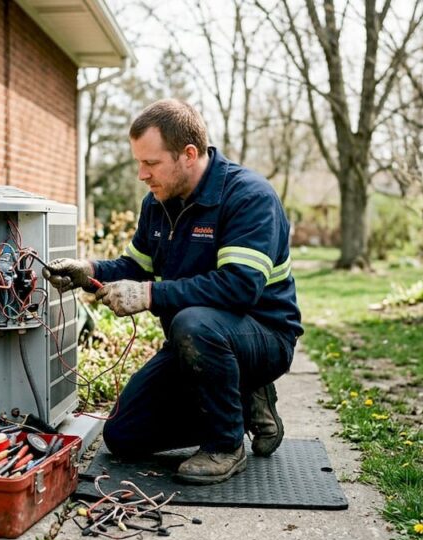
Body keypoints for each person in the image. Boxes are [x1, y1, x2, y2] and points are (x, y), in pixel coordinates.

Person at [44, 99, 302, 485]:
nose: (141, 175)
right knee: (123, 436)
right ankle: (243, 403)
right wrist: (89, 270)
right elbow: (136, 266)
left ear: (189, 154)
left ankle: (225, 445)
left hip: (261, 336)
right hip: (195, 341)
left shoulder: (248, 198)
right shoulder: (158, 203)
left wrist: (148, 296)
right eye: (139, 163)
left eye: (150, 163)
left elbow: (239, 288)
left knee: (193, 322)